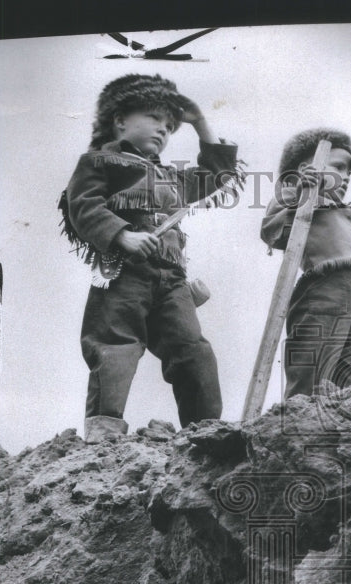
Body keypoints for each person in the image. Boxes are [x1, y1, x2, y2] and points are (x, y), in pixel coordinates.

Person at [60, 74, 241, 443]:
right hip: (124, 273)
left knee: (192, 349)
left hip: (172, 280)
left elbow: (218, 175)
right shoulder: (99, 161)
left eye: (169, 125)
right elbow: (83, 205)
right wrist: (122, 234)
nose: (163, 129)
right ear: (120, 119)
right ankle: (103, 435)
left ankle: (204, 432)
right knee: (115, 346)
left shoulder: (173, 178)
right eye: (154, 118)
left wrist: (200, 121)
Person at [260, 128, 351, 398]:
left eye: (349, 173)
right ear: (309, 168)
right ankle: (300, 424)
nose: (345, 178)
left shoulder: (350, 215)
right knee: (314, 360)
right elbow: (272, 229)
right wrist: (305, 190)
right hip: (324, 291)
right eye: (338, 167)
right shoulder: (303, 201)